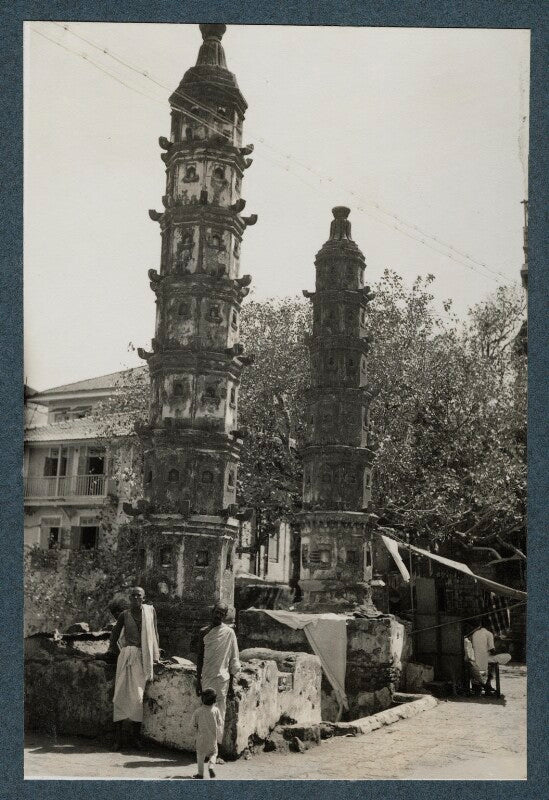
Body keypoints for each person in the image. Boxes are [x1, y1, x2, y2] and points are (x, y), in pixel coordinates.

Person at [107, 586, 160, 750]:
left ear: (144, 598)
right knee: (120, 695)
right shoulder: (124, 615)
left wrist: (155, 655)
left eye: (139, 595)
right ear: (130, 598)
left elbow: (155, 633)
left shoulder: (150, 613)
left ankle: (136, 739)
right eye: (133, 595)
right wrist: (119, 653)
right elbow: (114, 636)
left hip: (142, 658)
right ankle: (118, 739)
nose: (136, 598)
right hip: (127, 657)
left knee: (138, 697)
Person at [196, 603, 240, 741]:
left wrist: (232, 684)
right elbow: (199, 658)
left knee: (219, 713)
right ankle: (204, 747)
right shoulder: (204, 632)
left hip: (222, 679)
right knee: (205, 714)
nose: (218, 615)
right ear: (212, 612)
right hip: (207, 678)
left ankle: (216, 750)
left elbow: (234, 659)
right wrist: (198, 681)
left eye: (222, 613)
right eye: (217, 612)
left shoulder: (229, 633)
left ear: (225, 616)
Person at [191, 688, 223, 779]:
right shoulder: (216, 710)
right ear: (214, 700)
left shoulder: (198, 711)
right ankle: (211, 766)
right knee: (214, 753)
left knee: (200, 756)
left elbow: (193, 724)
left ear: (202, 699)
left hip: (201, 739)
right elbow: (220, 722)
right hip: (212, 738)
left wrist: (196, 730)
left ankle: (200, 774)